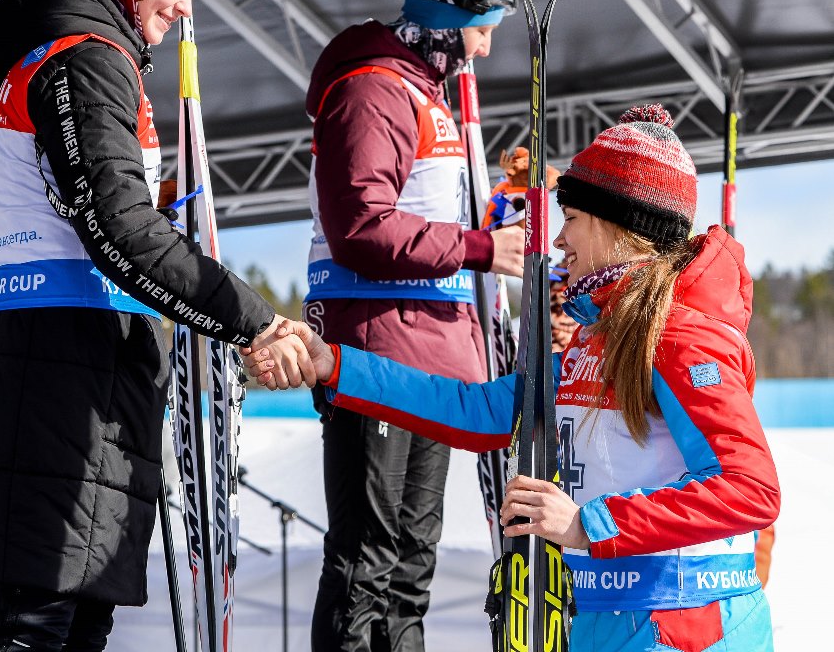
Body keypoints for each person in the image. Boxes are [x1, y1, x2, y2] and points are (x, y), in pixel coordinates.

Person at [247, 105, 782, 652]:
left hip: (683, 625)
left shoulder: (680, 335)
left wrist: (588, 525)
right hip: (602, 619)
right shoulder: (595, 339)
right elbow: (473, 410)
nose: (559, 241)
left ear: (614, 223)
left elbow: (750, 489)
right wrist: (334, 363)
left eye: (569, 219)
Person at [0, 0, 307, 649]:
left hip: (83, 383)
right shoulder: (83, 58)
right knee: (37, 626)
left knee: (69, 622)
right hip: (53, 385)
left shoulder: (92, 56)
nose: (184, 10)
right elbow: (121, 231)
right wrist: (253, 319)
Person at [298, 0, 524, 652]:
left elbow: (433, 215)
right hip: (376, 348)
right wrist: (483, 247)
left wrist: (506, 218)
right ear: (444, 17)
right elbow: (361, 225)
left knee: (408, 570)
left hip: (430, 351)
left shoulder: (426, 93)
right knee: (367, 564)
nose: (486, 46)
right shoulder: (373, 90)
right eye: (481, 25)